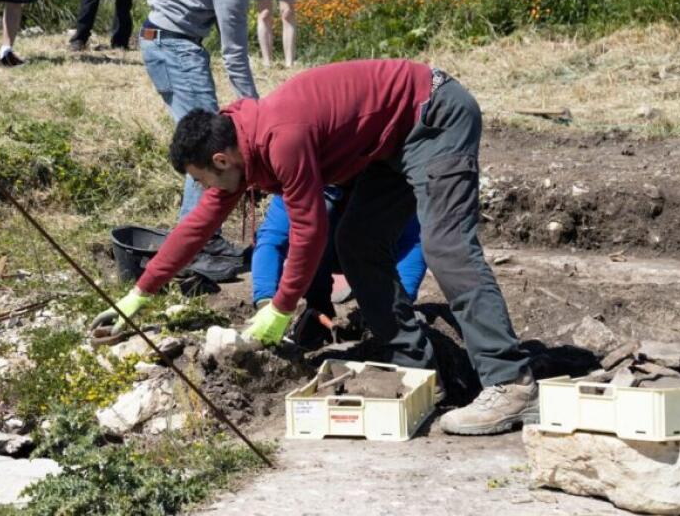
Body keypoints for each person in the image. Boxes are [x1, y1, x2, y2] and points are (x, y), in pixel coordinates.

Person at [94, 60, 537, 436]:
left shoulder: (280, 137)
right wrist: (138, 295)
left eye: (200, 179)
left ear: (220, 161)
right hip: (391, 141)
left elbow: (308, 231)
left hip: (434, 115)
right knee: (359, 241)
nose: (203, 189)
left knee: (445, 245)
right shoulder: (240, 146)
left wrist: (281, 307)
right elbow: (195, 228)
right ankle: (417, 369)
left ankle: (509, 382)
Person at [140, 0, 294, 221]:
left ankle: (200, 243)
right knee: (209, 148)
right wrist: (257, 116)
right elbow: (234, 55)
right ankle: (200, 248)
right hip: (173, 47)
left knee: (206, 143)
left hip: (163, 38)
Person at [252, 186, 425, 349]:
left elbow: (413, 241)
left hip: (374, 246)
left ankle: (375, 308)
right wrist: (266, 302)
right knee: (319, 214)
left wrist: (399, 303)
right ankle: (318, 307)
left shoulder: (385, 180)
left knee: (385, 312)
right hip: (325, 244)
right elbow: (272, 239)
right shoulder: (299, 176)